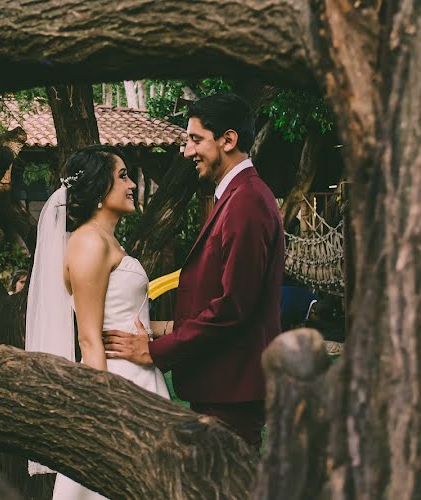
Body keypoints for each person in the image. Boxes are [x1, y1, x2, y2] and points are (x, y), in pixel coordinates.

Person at [104, 93, 285, 447]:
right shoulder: (236, 196)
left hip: (232, 390)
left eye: (195, 139)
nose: (187, 152)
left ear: (228, 140)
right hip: (222, 386)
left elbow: (232, 307)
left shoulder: (246, 201)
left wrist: (155, 351)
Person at [25, 145, 170, 500]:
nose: (132, 183)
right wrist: (105, 413)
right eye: (122, 176)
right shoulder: (89, 242)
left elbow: (127, 314)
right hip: (116, 381)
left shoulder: (106, 240)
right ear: (99, 190)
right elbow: (89, 338)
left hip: (138, 374)